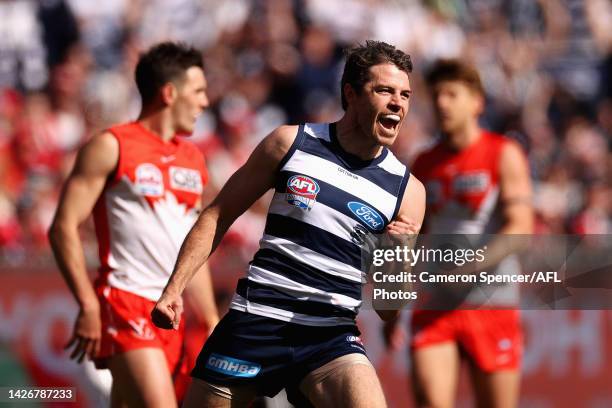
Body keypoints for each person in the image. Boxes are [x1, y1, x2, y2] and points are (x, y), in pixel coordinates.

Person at [151, 40, 426, 408]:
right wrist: (174, 289)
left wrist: (396, 262)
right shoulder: (291, 143)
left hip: (330, 336)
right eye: (384, 91)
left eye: (405, 94)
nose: (398, 103)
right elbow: (218, 214)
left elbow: (390, 309)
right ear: (351, 94)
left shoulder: (408, 191)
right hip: (256, 321)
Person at [48, 42, 219, 408]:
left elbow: (194, 246)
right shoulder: (112, 145)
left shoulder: (193, 160)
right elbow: (62, 226)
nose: (206, 102)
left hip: (171, 312)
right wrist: (89, 304)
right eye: (199, 91)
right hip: (125, 300)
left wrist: (208, 318)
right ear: (170, 93)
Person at [383, 59, 534, 408]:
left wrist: (467, 269)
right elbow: (412, 241)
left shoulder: (503, 153)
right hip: (436, 304)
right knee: (430, 400)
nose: (442, 103)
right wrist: (394, 300)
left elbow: (521, 229)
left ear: (477, 102)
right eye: (437, 95)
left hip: (492, 303)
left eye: (452, 94)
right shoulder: (423, 163)